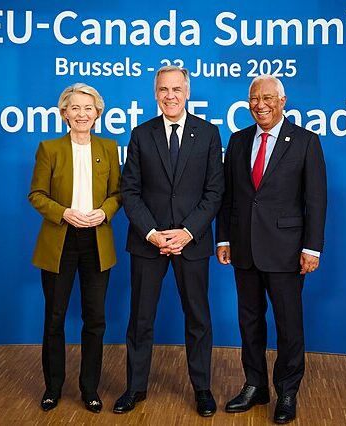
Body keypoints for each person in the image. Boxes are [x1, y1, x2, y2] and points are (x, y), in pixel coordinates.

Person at [216, 75, 327, 424]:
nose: (260, 105)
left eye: (267, 98)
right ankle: (255, 385)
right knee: (249, 322)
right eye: (254, 99)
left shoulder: (306, 141)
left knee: (288, 325)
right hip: (244, 249)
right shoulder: (238, 140)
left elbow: (316, 201)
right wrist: (224, 239)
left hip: (287, 251)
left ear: (282, 101)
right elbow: (228, 196)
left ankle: (287, 391)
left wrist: (312, 248)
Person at [114, 66, 224, 417]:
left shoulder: (208, 134)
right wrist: (152, 233)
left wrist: (187, 231)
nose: (170, 95)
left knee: (198, 318)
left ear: (187, 92)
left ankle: (202, 389)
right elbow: (129, 191)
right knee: (140, 318)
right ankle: (135, 388)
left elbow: (215, 191)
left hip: (192, 241)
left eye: (176, 89)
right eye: (163, 89)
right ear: (155, 93)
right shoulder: (141, 134)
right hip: (148, 242)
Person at [28, 83, 121, 413]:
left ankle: (89, 388)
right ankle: (53, 387)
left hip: (96, 242)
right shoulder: (49, 148)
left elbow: (118, 194)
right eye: (75, 108)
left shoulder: (109, 148)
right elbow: (36, 195)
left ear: (97, 113)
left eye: (88, 108)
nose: (82, 114)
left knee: (95, 320)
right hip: (60, 241)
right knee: (54, 318)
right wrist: (64, 213)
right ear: (64, 113)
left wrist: (105, 212)